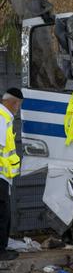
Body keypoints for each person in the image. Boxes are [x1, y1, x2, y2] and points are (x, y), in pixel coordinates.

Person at [0, 88, 24, 261]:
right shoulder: (2, 118)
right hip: (0, 177)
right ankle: (1, 251)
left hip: (3, 177)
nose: (18, 109)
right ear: (14, 102)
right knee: (3, 214)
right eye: (18, 105)